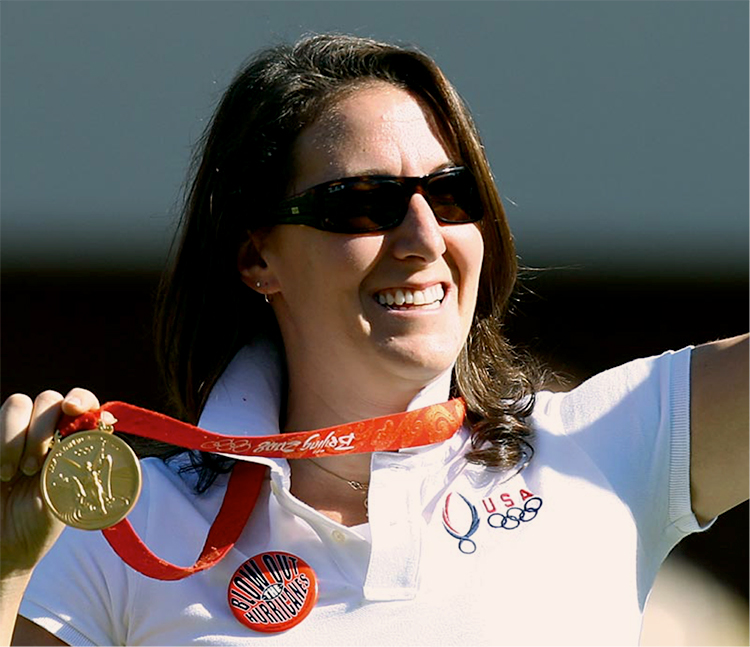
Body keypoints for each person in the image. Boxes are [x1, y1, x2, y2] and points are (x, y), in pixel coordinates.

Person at [1, 33, 747, 646]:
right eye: (364, 203)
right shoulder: (129, 533)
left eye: (453, 194)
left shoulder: (608, 442)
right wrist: (5, 570)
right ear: (258, 256)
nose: (424, 236)